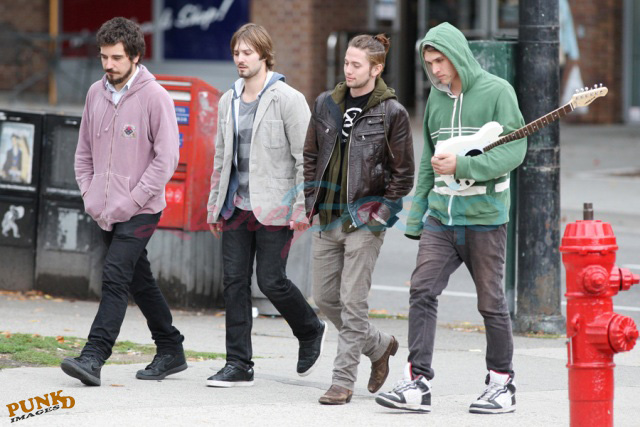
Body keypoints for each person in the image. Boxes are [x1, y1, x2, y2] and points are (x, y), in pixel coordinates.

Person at [376, 22, 526, 414]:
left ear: (458, 55)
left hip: (485, 217)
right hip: (440, 219)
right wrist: (416, 218)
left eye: (441, 61)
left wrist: (463, 166)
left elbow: (515, 150)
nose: (436, 69)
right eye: (429, 63)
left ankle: (502, 384)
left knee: (491, 303)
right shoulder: (437, 100)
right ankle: (417, 383)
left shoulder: (498, 92)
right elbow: (429, 160)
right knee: (421, 290)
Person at [62, 17, 186, 386]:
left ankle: (93, 356)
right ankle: (171, 348)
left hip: (142, 208)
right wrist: (89, 193)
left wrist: (134, 199)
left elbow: (167, 158)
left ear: (134, 56)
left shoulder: (155, 96)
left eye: (116, 58)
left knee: (115, 275)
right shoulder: (94, 93)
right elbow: (83, 151)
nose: (109, 64)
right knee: (137, 279)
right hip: (103, 209)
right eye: (104, 57)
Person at [206, 23, 326, 388]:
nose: (240, 59)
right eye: (236, 53)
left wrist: (302, 207)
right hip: (235, 206)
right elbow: (221, 157)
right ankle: (238, 363)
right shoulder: (227, 100)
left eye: (247, 52)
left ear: (264, 54)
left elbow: (306, 159)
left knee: (271, 281)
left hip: (275, 205)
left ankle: (309, 328)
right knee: (234, 283)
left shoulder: (288, 99)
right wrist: (214, 206)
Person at [304, 34, 414, 404]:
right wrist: (311, 199)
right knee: (325, 298)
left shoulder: (392, 113)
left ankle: (341, 381)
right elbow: (310, 155)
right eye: (346, 63)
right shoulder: (325, 104)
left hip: (364, 221)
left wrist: (379, 217)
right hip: (327, 217)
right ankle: (379, 345)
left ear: (376, 68)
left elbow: (403, 175)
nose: (348, 70)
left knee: (353, 303)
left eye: (356, 64)